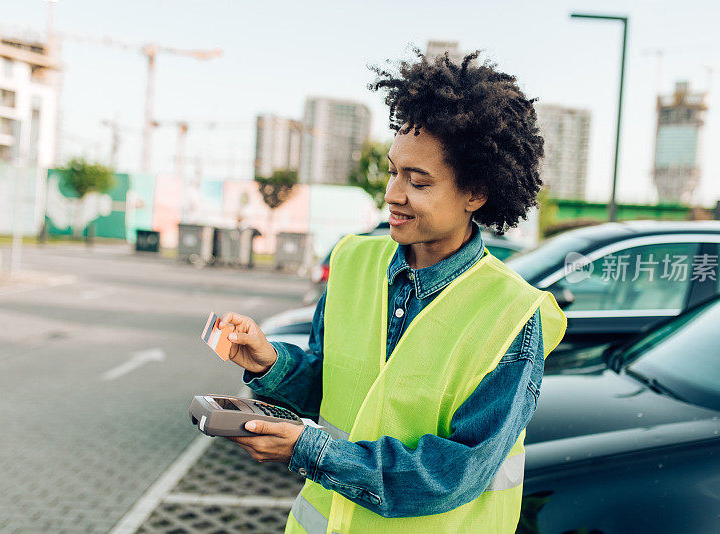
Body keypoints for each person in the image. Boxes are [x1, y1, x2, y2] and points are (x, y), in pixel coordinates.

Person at [217, 48, 566, 533]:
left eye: (417, 181)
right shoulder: (354, 260)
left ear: (476, 193)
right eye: (392, 171)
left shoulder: (512, 313)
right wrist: (267, 362)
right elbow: (328, 384)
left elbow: (456, 471)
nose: (393, 194)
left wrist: (308, 449)